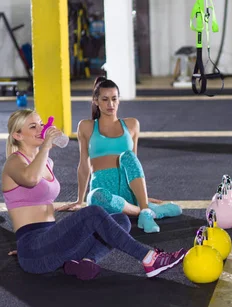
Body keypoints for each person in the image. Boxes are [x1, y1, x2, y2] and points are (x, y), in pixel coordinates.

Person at [2, 109, 186, 280]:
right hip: (34, 248)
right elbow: (31, 179)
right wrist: (46, 147)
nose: (41, 129)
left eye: (41, 124)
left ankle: (86, 262)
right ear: (18, 135)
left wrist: (61, 213)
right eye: (33, 126)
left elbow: (37, 202)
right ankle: (149, 258)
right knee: (93, 213)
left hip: (52, 244)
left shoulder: (47, 162)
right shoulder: (14, 162)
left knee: (120, 220)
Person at [58, 76, 182, 233]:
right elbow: (83, 165)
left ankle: (142, 207)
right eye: (105, 99)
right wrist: (79, 200)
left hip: (127, 189)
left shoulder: (132, 124)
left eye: (114, 99)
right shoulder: (86, 126)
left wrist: (142, 196)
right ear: (96, 101)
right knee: (95, 197)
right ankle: (147, 211)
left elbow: (134, 165)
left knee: (128, 156)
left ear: (119, 100)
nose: (110, 104)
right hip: (103, 192)